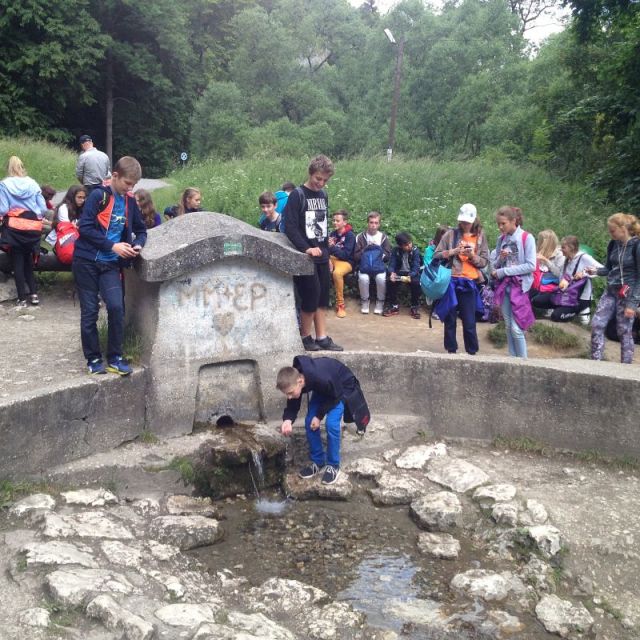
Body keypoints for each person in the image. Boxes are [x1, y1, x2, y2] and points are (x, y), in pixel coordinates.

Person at [72, 156, 147, 376]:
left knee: (116, 307)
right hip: (85, 262)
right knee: (90, 312)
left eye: (134, 185)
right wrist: (113, 246)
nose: (130, 188)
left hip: (110, 265)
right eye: (127, 183)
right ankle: (94, 359)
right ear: (114, 176)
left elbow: (141, 230)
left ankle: (115, 356)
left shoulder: (130, 202)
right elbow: (84, 227)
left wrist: (138, 245)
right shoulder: (98, 195)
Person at [283, 154, 342, 352]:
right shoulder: (297, 195)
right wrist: (306, 248)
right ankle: (305, 336)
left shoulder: (323, 195)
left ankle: (322, 337)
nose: (321, 183)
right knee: (310, 295)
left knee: (323, 297)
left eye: (325, 180)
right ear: (311, 173)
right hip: (305, 256)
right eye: (318, 178)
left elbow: (323, 228)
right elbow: (289, 227)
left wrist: (328, 255)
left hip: (322, 254)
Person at [277, 356, 368, 485]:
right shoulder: (295, 379)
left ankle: (333, 465)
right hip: (324, 388)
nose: (289, 397)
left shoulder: (321, 378)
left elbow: (335, 396)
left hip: (340, 389)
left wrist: (319, 416)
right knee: (310, 421)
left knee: (331, 424)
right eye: (287, 394)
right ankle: (318, 462)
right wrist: (287, 420)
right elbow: (293, 404)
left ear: (300, 381)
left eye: (290, 393)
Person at [434, 204, 489, 354]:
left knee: (469, 321)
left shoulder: (480, 236)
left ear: (474, 220)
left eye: (467, 222)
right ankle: (451, 351)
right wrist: (453, 251)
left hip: (470, 282)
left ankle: (472, 352)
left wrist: (472, 256)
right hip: (451, 280)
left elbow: (484, 262)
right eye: (462, 221)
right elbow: (436, 255)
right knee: (450, 319)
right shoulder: (450, 235)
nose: (464, 224)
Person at [587, 213, 640, 364]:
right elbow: (609, 268)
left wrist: (633, 304)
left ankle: (626, 366)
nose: (611, 234)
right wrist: (596, 271)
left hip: (627, 294)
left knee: (623, 330)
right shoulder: (613, 244)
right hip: (610, 291)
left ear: (623, 228)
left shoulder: (637, 246)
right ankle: (595, 361)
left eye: (612, 230)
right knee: (597, 324)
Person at [0, 156, 47, 306]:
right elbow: (43, 208)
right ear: (22, 167)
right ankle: (34, 294)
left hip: (15, 228)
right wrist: (35, 216)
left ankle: (21, 298)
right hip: (32, 228)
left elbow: (3, 209)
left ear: (9, 168)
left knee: (17, 262)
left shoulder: (4, 185)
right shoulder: (32, 183)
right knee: (28, 260)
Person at [490, 205, 536, 358]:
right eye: (498, 224)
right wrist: (501, 259)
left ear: (513, 221)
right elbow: (495, 265)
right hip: (504, 287)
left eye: (503, 223)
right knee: (508, 325)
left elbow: (531, 265)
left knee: (517, 328)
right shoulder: (501, 240)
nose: (500, 227)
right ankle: (512, 360)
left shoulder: (526, 238)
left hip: (520, 287)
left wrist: (504, 271)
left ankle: (523, 363)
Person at [531, 235, 602, 322]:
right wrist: (546, 262)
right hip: (563, 295)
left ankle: (574, 312)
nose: (561, 249)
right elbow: (558, 274)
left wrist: (584, 273)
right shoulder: (567, 259)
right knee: (536, 301)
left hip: (577, 299)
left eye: (563, 247)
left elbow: (602, 269)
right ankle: (559, 308)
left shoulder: (584, 258)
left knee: (555, 317)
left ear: (571, 248)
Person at [353, 211, 392, 315]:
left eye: (376, 223)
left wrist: (378, 251)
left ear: (379, 224)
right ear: (367, 223)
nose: (373, 225)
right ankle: (365, 300)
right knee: (363, 278)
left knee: (380, 278)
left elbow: (388, 256)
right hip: (364, 266)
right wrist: (366, 249)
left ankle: (380, 301)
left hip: (378, 266)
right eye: (371, 222)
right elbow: (356, 256)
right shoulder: (360, 237)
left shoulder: (383, 237)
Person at [384, 231, 423, 319]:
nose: (409, 245)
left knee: (416, 283)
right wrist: (392, 273)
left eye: (410, 243)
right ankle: (394, 306)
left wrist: (411, 275)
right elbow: (392, 264)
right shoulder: (395, 250)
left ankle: (414, 306)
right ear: (400, 246)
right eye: (406, 245)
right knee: (390, 281)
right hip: (399, 273)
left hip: (410, 274)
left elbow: (416, 266)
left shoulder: (415, 250)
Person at [328, 209, 355, 318]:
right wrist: (328, 260)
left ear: (345, 222)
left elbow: (345, 255)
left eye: (337, 221)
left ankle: (340, 304)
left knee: (337, 273)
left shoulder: (350, 236)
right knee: (319, 265)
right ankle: (321, 300)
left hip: (346, 262)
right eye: (334, 220)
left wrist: (332, 247)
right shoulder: (332, 234)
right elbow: (327, 251)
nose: (335, 223)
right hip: (333, 259)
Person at [531, 229, 563, 295]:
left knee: (537, 300)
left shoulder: (559, 255)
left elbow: (559, 274)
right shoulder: (537, 253)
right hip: (536, 286)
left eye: (539, 240)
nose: (537, 243)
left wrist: (546, 260)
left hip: (552, 288)